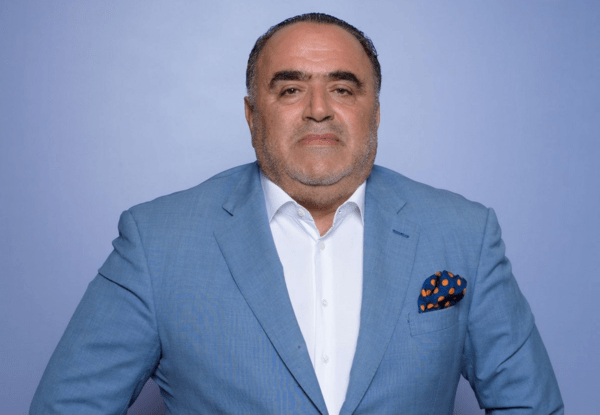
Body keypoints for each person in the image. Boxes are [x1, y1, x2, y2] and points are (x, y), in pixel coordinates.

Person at [31, 13, 563, 415]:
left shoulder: (463, 233)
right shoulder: (156, 242)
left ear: (375, 112)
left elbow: (530, 406)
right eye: (290, 89)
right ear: (251, 115)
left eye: (342, 88)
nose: (318, 109)